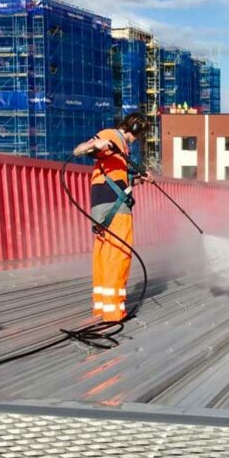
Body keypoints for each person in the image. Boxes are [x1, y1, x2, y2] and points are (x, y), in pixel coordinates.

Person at [73, 113, 152, 322]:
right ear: (133, 127)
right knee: (119, 254)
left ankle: (102, 307)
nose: (138, 139)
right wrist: (98, 144)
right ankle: (114, 312)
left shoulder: (121, 148)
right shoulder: (111, 136)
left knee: (104, 254)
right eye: (139, 134)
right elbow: (79, 150)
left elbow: (118, 179)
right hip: (115, 207)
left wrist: (138, 180)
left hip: (102, 204)